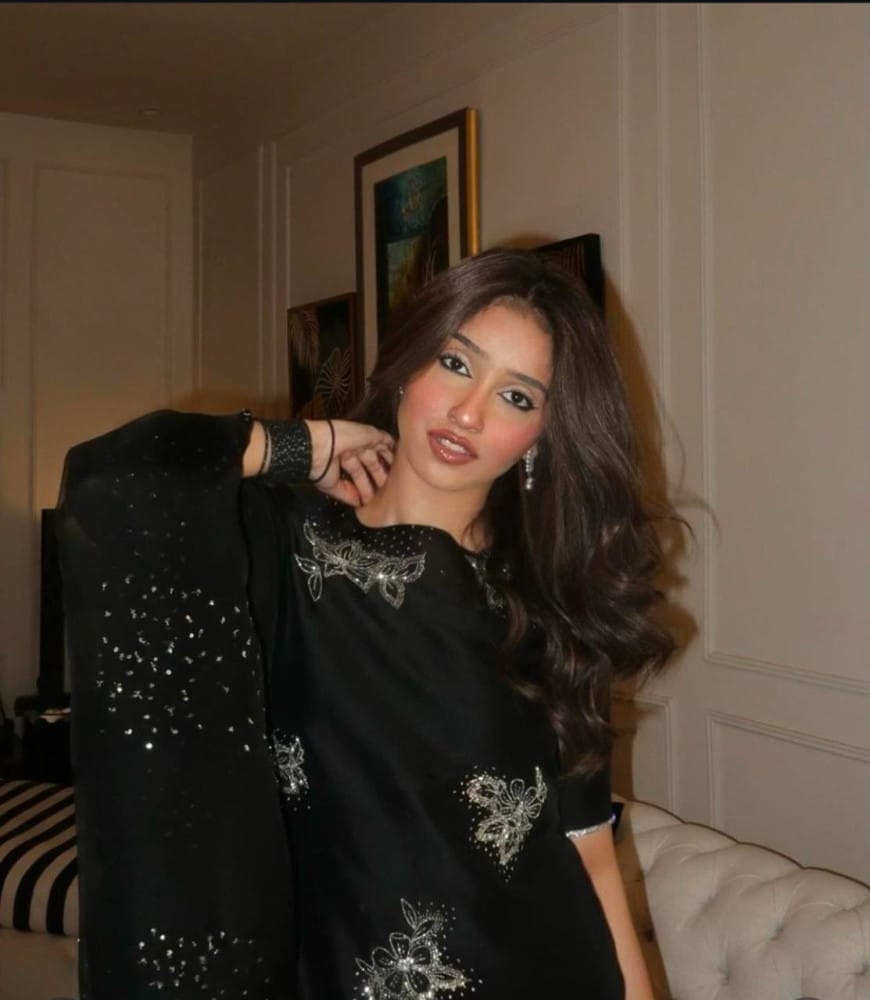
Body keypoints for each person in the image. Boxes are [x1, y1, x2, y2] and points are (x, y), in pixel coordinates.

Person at [57, 247, 675, 1000]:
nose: (469, 412)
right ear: (409, 363)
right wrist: (302, 446)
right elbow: (115, 478)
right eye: (455, 363)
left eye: (517, 397)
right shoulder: (283, 545)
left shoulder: (551, 605)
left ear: (542, 435)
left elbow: (589, 851)